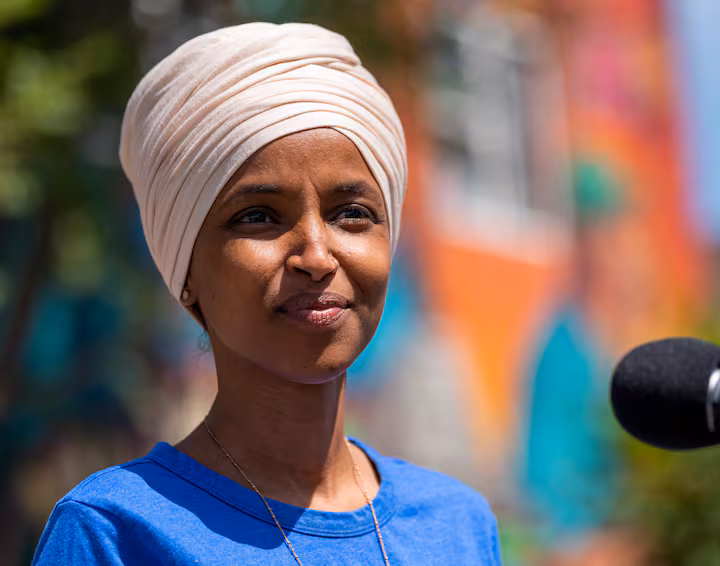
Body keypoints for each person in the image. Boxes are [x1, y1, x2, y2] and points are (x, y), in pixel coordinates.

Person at [32, 22, 501, 565]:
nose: (317, 257)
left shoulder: (457, 526)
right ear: (185, 267)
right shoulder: (116, 532)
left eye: (352, 213)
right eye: (258, 216)